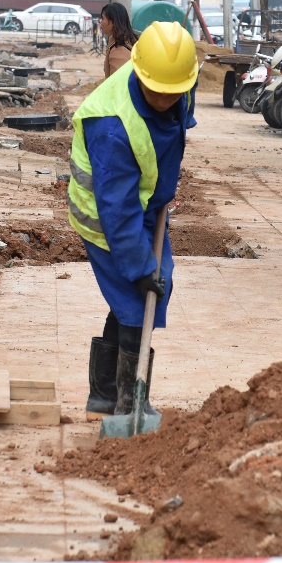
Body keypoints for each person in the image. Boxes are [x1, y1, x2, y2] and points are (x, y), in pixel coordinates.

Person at [69, 21, 198, 421]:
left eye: (172, 92)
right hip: (105, 215)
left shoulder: (176, 80)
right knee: (138, 294)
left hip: (145, 205)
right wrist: (141, 267)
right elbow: (117, 210)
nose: (165, 98)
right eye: (156, 91)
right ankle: (126, 406)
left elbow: (174, 127)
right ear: (140, 72)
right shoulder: (112, 126)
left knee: (142, 294)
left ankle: (105, 397)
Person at [99, 2, 138, 78]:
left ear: (113, 21)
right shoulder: (128, 41)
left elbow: (117, 84)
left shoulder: (118, 51)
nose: (101, 23)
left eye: (103, 18)